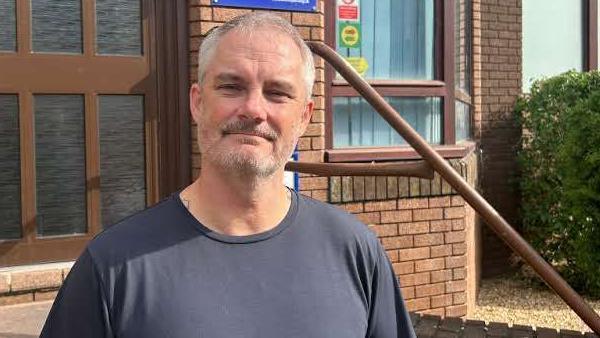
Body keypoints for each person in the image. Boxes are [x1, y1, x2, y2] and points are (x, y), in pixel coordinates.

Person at [40, 12, 416, 338]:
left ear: (305, 116)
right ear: (197, 102)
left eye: (278, 93)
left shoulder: (355, 251)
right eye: (232, 87)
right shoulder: (112, 266)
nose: (253, 109)